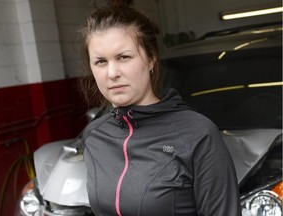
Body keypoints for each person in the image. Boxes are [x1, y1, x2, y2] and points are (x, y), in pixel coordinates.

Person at [78, 3, 242, 216]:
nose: (112, 73)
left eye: (124, 57)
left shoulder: (198, 134)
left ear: (151, 59)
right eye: (100, 61)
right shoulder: (94, 136)